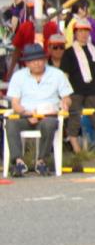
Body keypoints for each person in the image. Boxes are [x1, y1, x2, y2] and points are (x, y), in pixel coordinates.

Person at [5, 44, 72, 177]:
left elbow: (67, 97)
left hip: (48, 114)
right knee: (10, 123)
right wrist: (25, 113)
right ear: (27, 63)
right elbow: (15, 103)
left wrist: (65, 104)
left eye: (40, 59)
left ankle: (41, 161)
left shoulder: (57, 74)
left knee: (49, 124)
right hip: (25, 114)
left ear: (45, 60)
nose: (37, 63)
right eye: (33, 61)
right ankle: (18, 162)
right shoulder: (18, 76)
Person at [59, 19, 95, 155]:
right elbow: (65, 74)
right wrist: (65, 93)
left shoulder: (94, 51)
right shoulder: (69, 52)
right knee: (74, 118)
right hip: (74, 91)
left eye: (86, 31)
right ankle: (77, 149)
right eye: (80, 31)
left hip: (91, 90)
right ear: (75, 33)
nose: (84, 34)